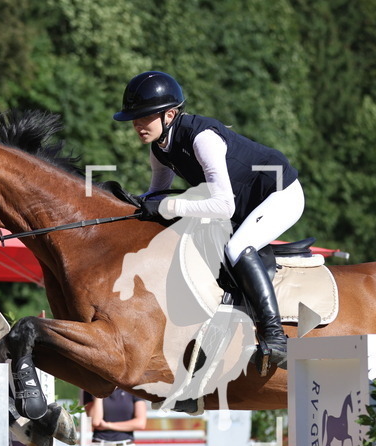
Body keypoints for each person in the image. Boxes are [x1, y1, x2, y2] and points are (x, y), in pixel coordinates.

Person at [114, 70, 305, 369]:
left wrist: (165, 206)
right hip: (245, 205)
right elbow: (155, 195)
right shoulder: (159, 149)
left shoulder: (202, 138)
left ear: (170, 115)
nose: (137, 123)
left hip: (280, 194)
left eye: (144, 116)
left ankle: (276, 336)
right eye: (134, 118)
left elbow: (223, 206)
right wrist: (124, 207)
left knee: (236, 248)